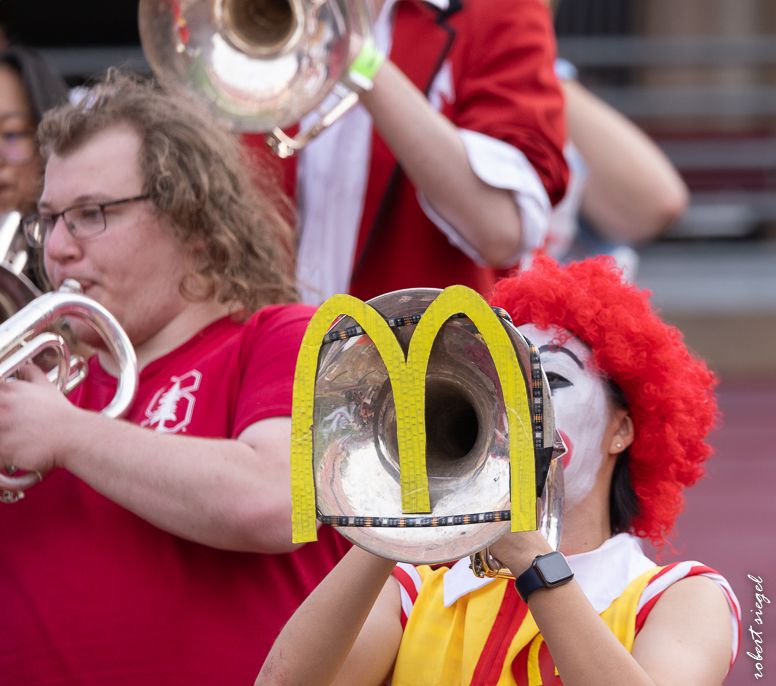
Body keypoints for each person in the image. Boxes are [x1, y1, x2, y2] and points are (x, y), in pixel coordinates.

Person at [0, 71, 349, 685]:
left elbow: (275, 499)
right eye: (48, 219)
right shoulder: (37, 391)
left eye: (89, 214)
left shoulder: (283, 336)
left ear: (192, 220)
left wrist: (68, 436)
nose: (55, 249)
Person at [255, 256, 741, 686]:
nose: (516, 406)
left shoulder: (682, 597)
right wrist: (393, 518)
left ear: (624, 428)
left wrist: (532, 556)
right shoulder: (416, 591)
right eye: (500, 378)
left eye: (549, 379)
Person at [290, 0, 568, 305]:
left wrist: (361, 62)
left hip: (416, 343)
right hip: (263, 341)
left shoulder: (501, 10)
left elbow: (502, 229)